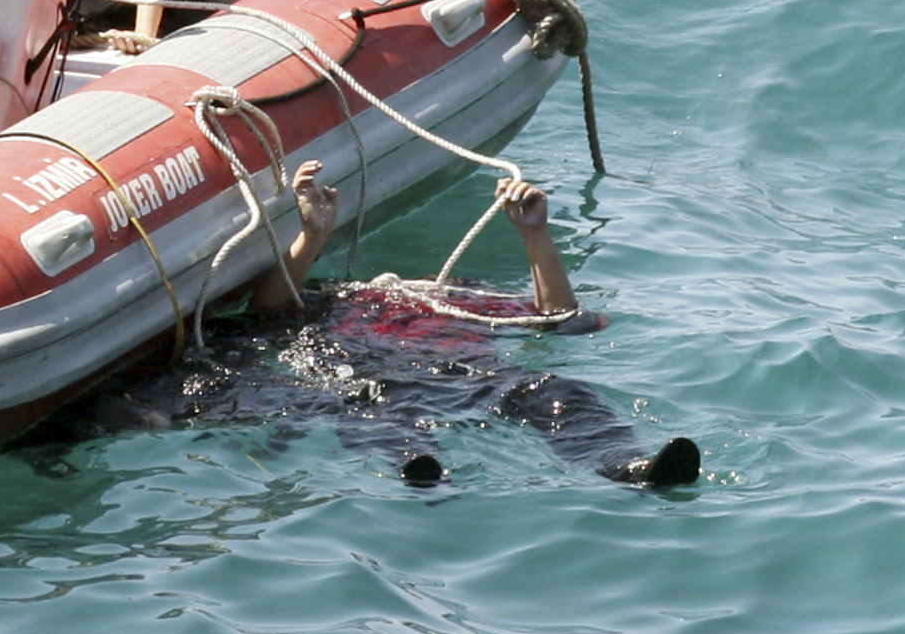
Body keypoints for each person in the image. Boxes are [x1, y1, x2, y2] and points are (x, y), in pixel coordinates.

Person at [98, 163, 700, 489]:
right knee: (370, 411)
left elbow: (559, 320)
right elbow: (270, 313)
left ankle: (625, 466)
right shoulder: (341, 297)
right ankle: (420, 468)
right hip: (373, 376)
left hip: (469, 376)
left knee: (558, 392)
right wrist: (314, 233)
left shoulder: (470, 300)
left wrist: (535, 234)